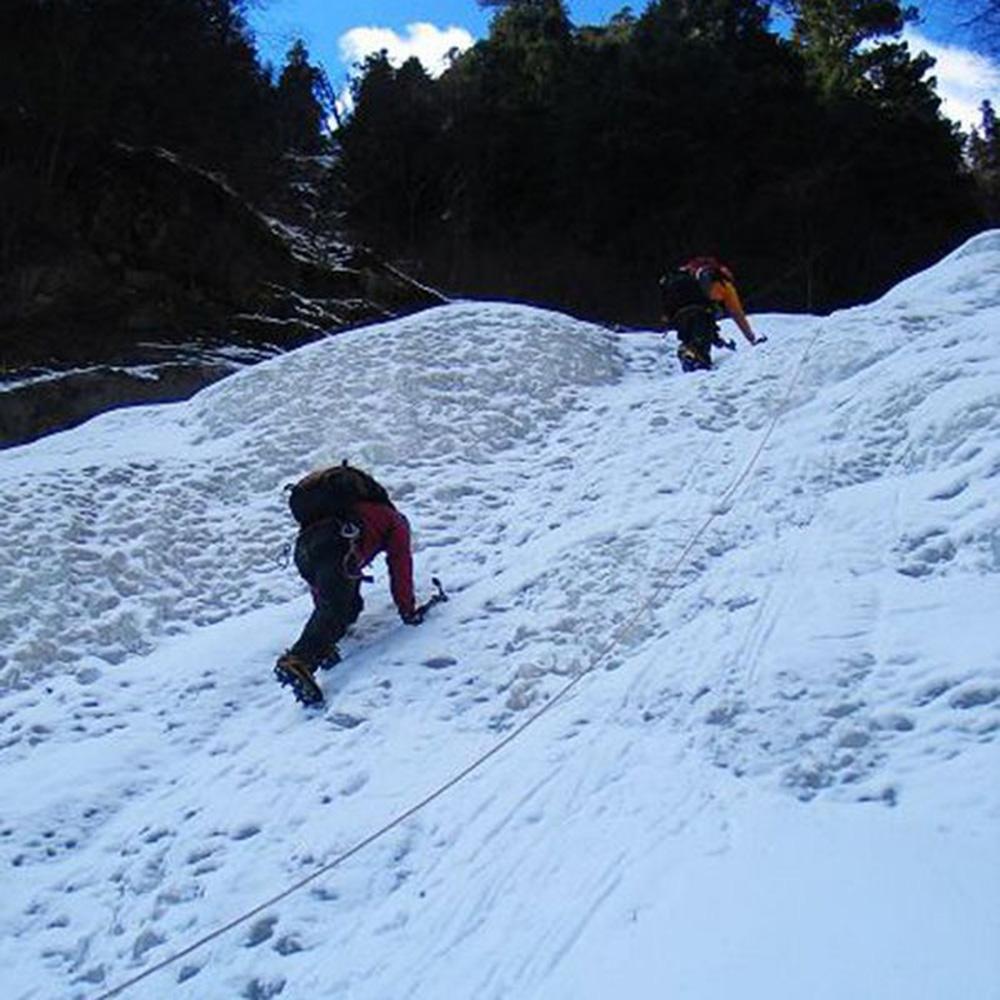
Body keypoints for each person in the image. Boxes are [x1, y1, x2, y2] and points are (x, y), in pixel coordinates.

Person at [275, 462, 422, 704]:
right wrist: (407, 609)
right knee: (342, 606)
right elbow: (400, 565)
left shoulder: (339, 513)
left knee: (345, 605)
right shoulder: (392, 519)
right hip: (338, 544)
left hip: (303, 551)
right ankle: (299, 660)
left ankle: (321, 648)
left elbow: (323, 592)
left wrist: (327, 634)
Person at [659, 256, 766, 372]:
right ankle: (695, 357)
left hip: (677, 313)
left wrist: (717, 339)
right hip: (699, 311)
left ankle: (689, 353)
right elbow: (737, 313)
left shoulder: (687, 274)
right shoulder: (724, 283)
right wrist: (751, 338)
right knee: (701, 344)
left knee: (691, 338)